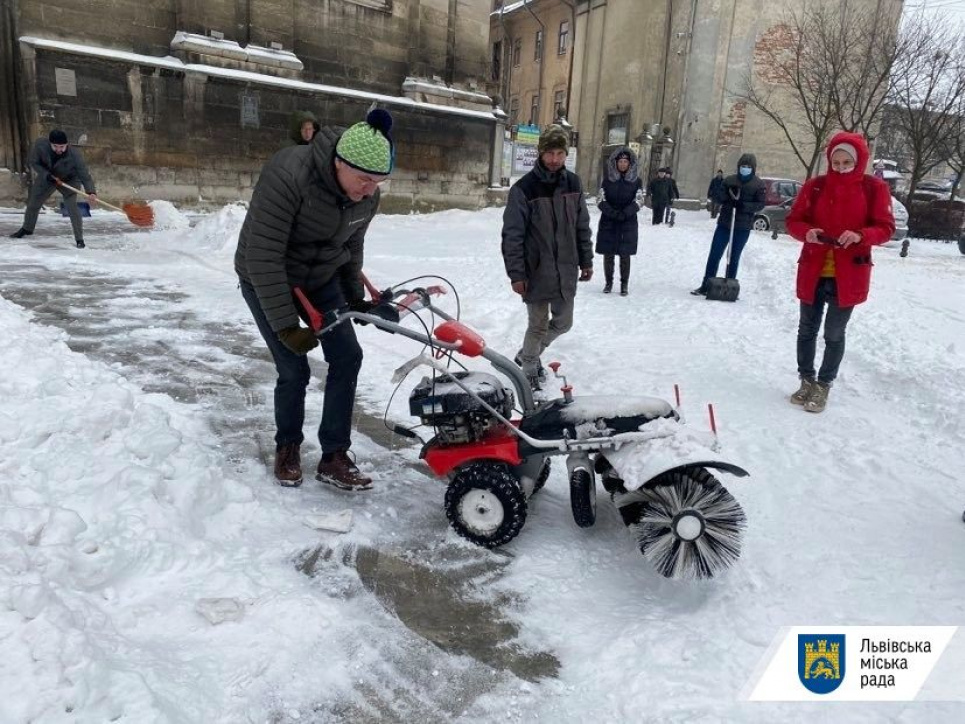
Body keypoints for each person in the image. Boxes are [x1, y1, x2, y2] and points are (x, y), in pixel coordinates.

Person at [235, 108, 396, 490]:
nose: (370, 190)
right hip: (267, 277)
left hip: (320, 278)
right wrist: (287, 325)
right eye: (363, 180)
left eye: (378, 182)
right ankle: (288, 446)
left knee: (347, 355)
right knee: (294, 368)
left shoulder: (366, 196)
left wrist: (355, 299)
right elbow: (263, 255)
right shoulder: (288, 174)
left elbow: (351, 245)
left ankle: (334, 455)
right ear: (339, 163)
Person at [784, 132, 894, 413]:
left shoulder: (874, 188)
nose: (842, 167)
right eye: (837, 161)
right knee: (806, 328)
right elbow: (793, 220)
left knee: (833, 332)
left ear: (859, 161)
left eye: (847, 162)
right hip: (814, 268)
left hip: (849, 274)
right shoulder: (815, 186)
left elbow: (885, 228)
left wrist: (860, 235)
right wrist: (806, 232)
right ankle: (806, 379)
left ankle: (824, 384)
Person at [501, 123, 593, 391]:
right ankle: (529, 368)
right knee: (538, 326)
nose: (554, 160)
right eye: (550, 153)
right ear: (540, 153)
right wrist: (517, 274)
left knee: (564, 323)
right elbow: (512, 235)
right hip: (536, 270)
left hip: (566, 268)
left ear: (566, 155)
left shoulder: (574, 184)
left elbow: (581, 226)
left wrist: (586, 260)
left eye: (560, 154)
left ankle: (527, 354)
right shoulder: (524, 189)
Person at [691, 154, 766, 296]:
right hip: (725, 224)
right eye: (743, 166)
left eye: (748, 167)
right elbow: (717, 196)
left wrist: (743, 205)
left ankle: (730, 286)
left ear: (753, 168)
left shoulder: (758, 184)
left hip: (742, 227)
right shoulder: (729, 180)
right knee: (715, 255)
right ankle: (706, 285)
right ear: (739, 167)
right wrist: (728, 198)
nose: (745, 169)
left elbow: (760, 204)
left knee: (734, 256)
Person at [10, 130, 98, 248]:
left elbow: (84, 174)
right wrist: (46, 175)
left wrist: (91, 192)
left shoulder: (74, 154)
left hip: (69, 180)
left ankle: (79, 239)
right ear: (50, 143)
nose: (59, 149)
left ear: (67, 144)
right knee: (33, 204)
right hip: (48, 177)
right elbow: (34, 162)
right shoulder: (40, 146)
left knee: (72, 207)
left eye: (62, 146)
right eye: (55, 146)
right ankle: (27, 228)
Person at [596, 146, 643, 296]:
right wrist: (612, 213)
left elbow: (639, 200)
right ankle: (608, 282)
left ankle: (624, 284)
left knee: (625, 254)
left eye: (625, 161)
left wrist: (626, 213)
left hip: (627, 222)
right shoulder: (607, 180)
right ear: (615, 163)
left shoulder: (636, 181)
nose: (623, 164)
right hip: (609, 221)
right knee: (608, 254)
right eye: (620, 161)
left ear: (630, 164)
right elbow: (600, 199)